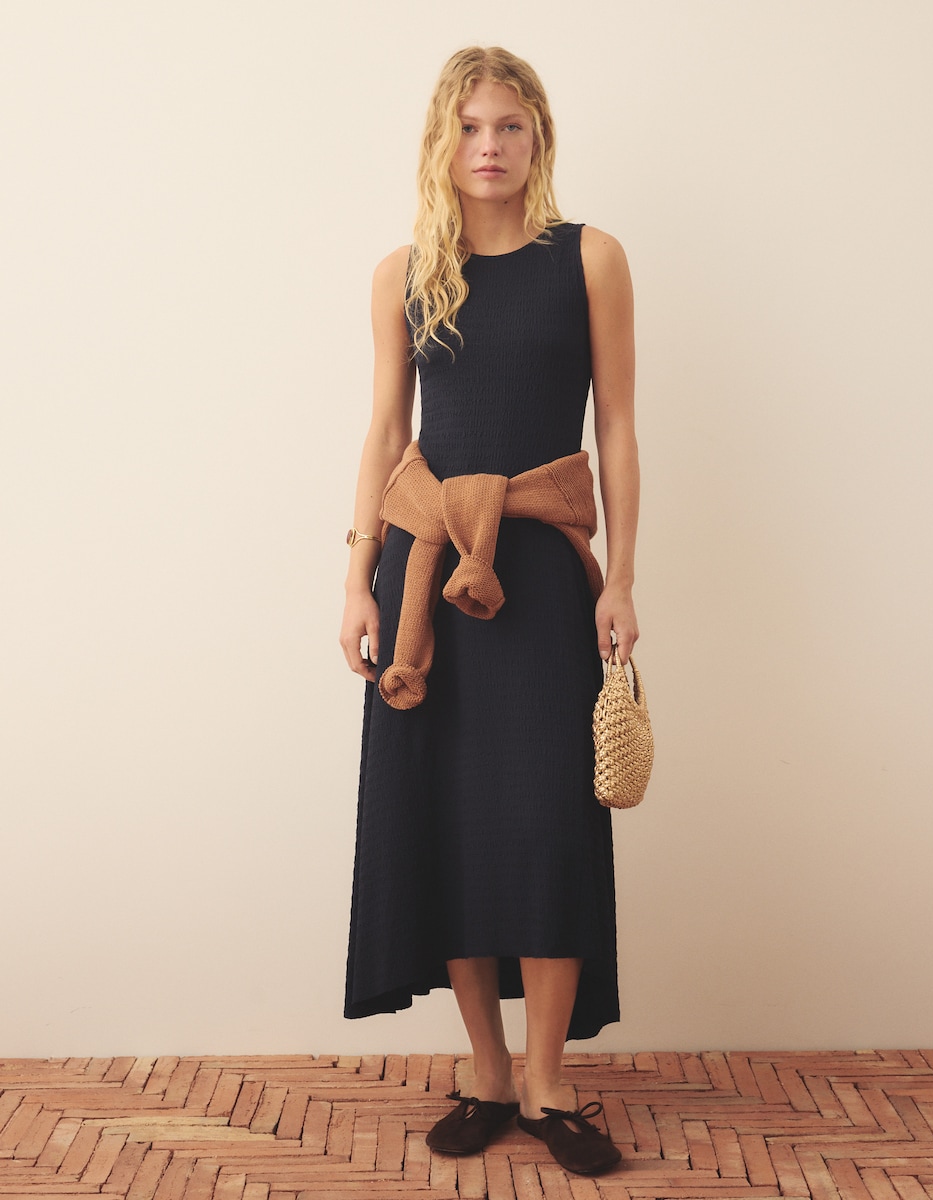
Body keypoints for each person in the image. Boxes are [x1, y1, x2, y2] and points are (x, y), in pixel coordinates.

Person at [339, 46, 639, 1177]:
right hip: (426, 582)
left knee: (553, 820)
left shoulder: (590, 258)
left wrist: (622, 577)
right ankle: (487, 1071)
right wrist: (355, 575)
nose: (489, 146)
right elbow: (385, 432)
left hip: (545, 573)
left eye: (509, 126)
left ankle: (551, 1078)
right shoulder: (404, 272)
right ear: (442, 139)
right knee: (450, 820)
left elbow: (617, 427)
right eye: (469, 127)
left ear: (537, 136)